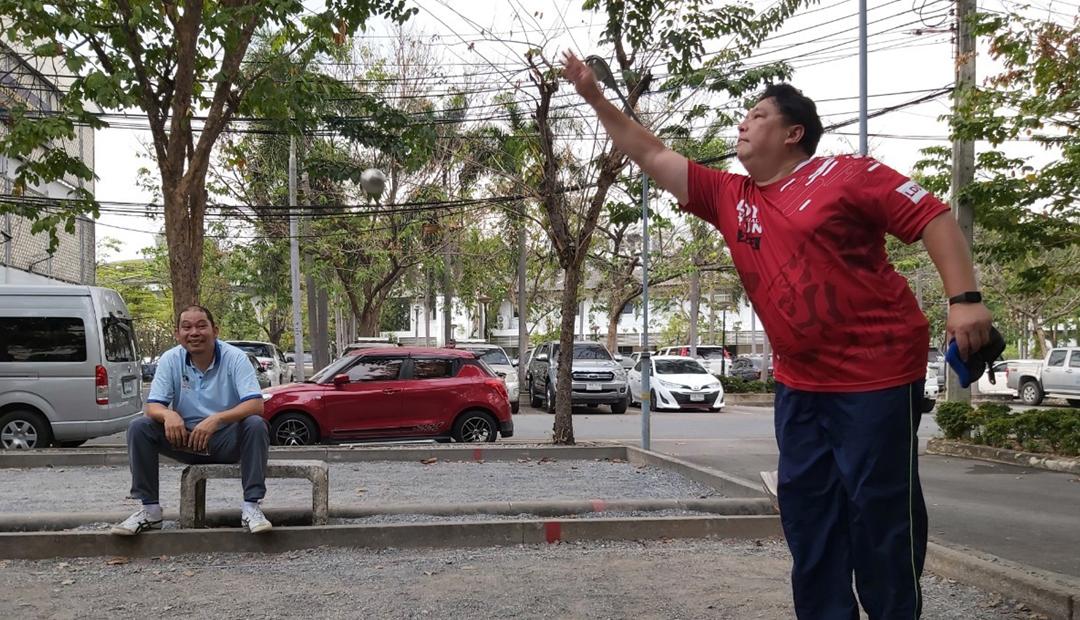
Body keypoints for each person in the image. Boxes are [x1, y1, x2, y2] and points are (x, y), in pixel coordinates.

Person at [562, 51, 992, 618]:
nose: (743, 124)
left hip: (877, 377)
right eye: (745, 116)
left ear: (794, 133)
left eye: (758, 115)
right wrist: (595, 97)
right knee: (809, 521)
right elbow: (651, 152)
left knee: (880, 519)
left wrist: (964, 300)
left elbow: (932, 217)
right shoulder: (730, 197)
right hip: (800, 385)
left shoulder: (848, 175)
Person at [112, 305, 272, 535]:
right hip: (185, 439)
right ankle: (150, 511)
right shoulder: (170, 359)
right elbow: (153, 406)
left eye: (201, 326)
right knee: (139, 427)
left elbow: (256, 404)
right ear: (177, 334)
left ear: (215, 330)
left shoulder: (235, 358)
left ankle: (251, 507)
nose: (194, 333)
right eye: (186, 327)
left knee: (255, 424)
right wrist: (168, 414)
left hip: (225, 441)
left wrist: (216, 419)